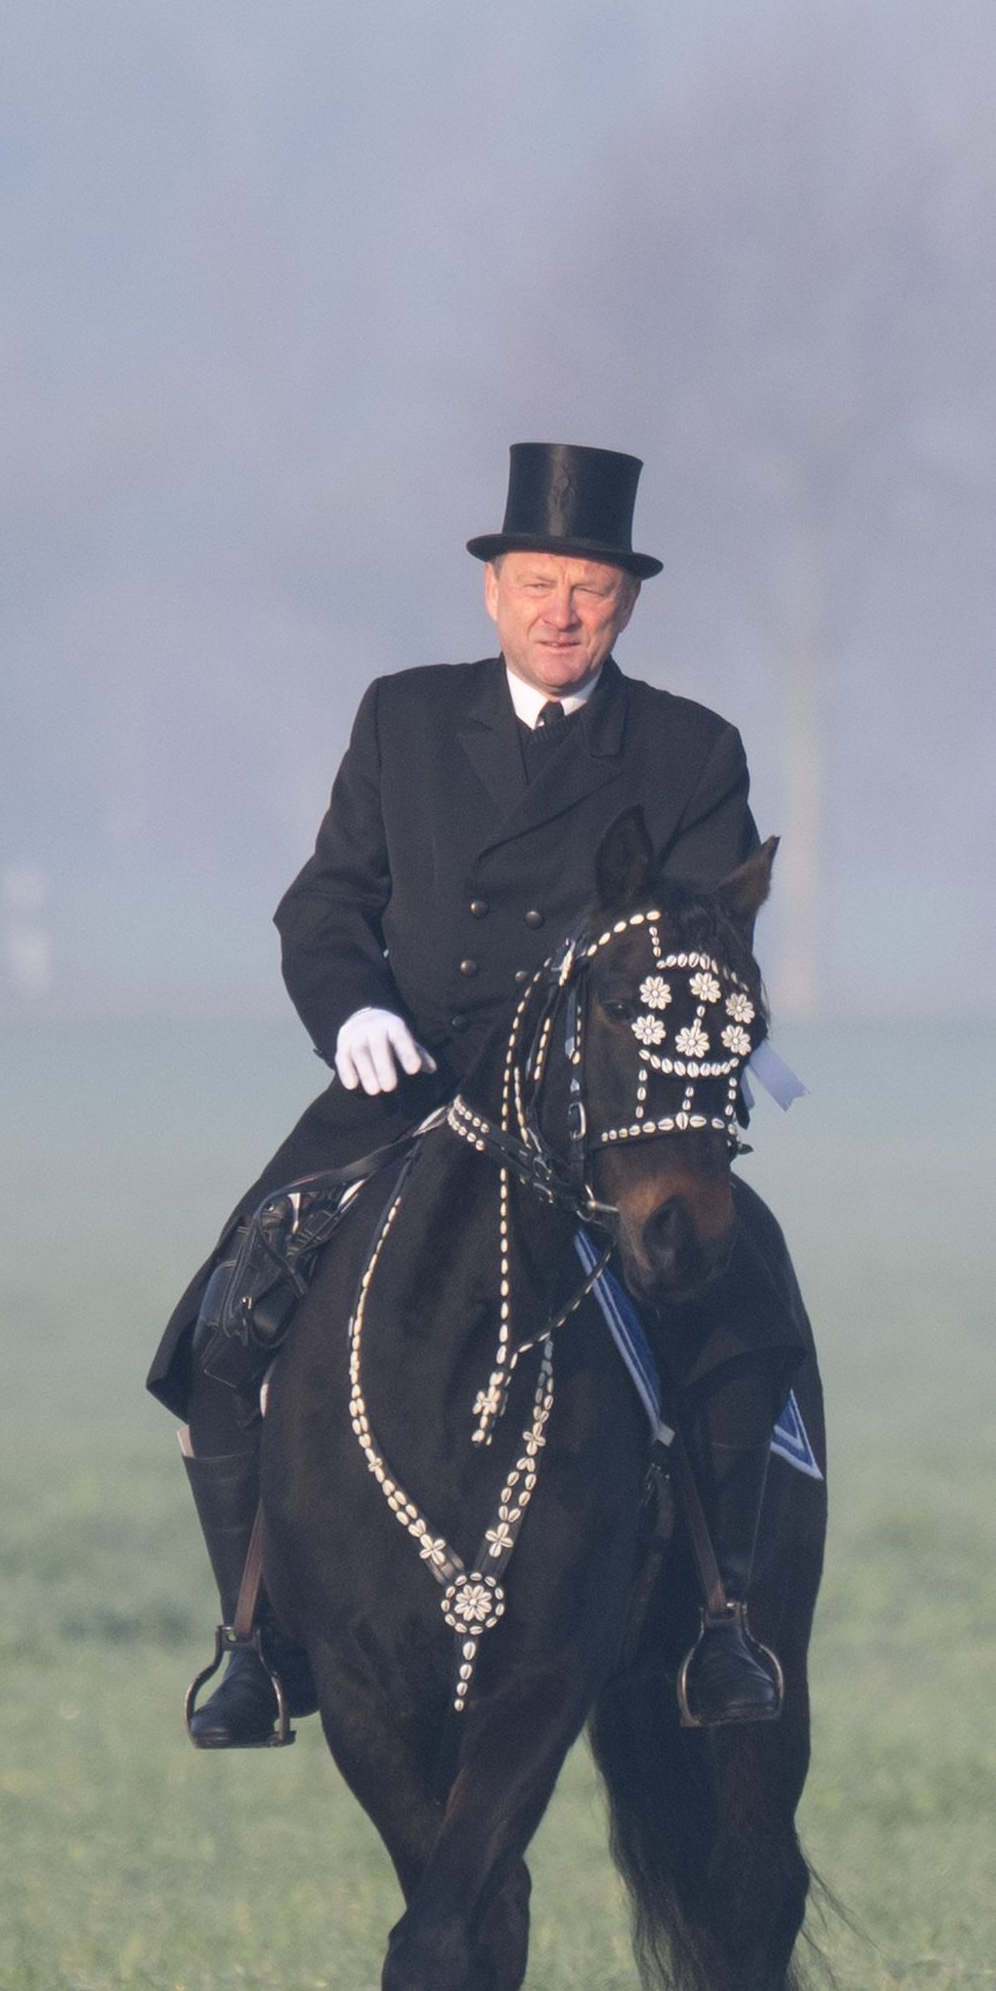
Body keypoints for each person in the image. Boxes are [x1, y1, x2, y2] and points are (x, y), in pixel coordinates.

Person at [155, 441, 769, 1749]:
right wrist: (353, 1011)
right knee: (227, 1317)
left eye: (589, 589)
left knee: (738, 1302)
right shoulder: (404, 719)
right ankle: (253, 1643)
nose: (562, 612)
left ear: (627, 604)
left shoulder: (690, 750)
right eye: (539, 582)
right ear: (494, 590)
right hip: (411, 1082)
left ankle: (723, 1620)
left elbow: (710, 939)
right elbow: (326, 904)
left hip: (607, 1112)